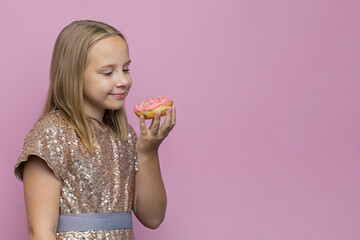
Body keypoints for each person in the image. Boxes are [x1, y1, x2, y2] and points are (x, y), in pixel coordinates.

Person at [13, 20, 176, 240]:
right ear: (74, 75)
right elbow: (41, 231)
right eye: (108, 73)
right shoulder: (52, 134)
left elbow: (153, 218)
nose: (123, 80)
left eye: (126, 69)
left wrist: (148, 152)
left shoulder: (124, 135)